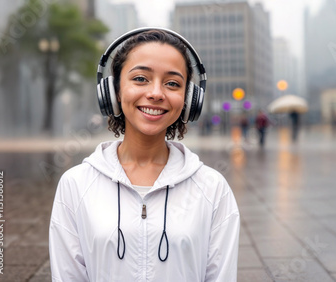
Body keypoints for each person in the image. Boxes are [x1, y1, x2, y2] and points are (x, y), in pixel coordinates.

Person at [49, 28, 240, 281]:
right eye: (140, 78)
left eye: (172, 83)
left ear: (188, 100)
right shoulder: (76, 184)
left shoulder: (213, 188)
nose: (156, 93)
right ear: (114, 91)